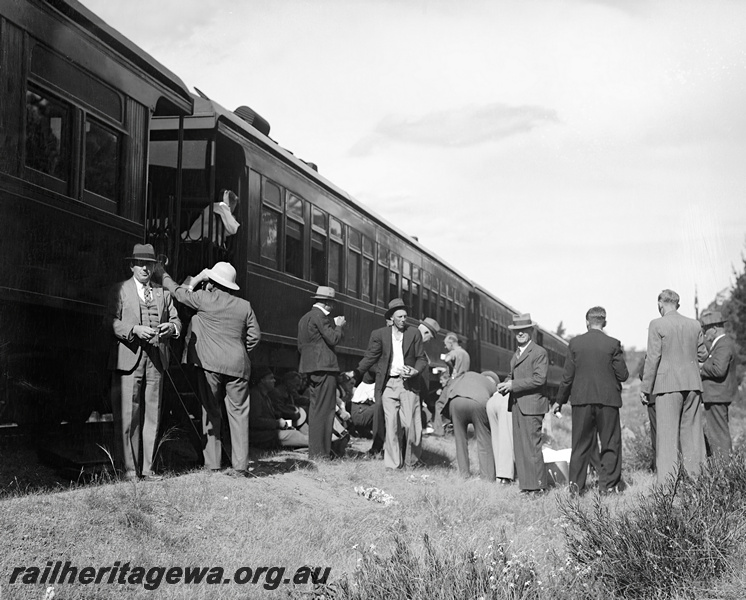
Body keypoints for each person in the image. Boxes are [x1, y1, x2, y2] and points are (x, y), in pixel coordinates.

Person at [158, 261, 260, 475]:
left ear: (212, 282)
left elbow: (178, 292)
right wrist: (239, 352)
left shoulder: (204, 299)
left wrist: (191, 278)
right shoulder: (245, 306)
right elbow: (254, 337)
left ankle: (213, 464)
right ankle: (240, 467)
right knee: (239, 414)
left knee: (211, 410)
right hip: (238, 366)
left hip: (210, 365)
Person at [107, 243, 181, 480]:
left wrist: (172, 327)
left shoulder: (163, 293)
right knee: (129, 415)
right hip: (129, 359)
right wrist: (133, 330)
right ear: (132, 266)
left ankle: (148, 469)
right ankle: (129, 471)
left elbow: (178, 323)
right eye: (140, 264)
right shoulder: (120, 290)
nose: (145, 268)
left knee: (153, 415)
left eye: (149, 264)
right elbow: (108, 321)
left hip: (156, 361)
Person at [555, 306, 629, 495]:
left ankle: (575, 488)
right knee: (610, 443)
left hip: (581, 400)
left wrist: (559, 400)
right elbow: (623, 375)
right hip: (608, 401)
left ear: (587, 321)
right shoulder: (613, 344)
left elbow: (567, 377)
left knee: (580, 445)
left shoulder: (575, 344)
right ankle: (609, 487)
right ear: (604, 322)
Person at [641, 289, 708, 485]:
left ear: (660, 304)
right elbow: (702, 355)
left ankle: (668, 486)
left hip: (667, 386)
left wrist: (646, 388)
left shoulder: (656, 324)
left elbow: (653, 358)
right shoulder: (694, 324)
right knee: (693, 436)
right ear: (677, 304)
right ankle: (697, 481)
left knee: (667, 438)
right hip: (693, 384)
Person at [355, 298, 428, 469]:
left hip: (407, 385)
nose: (404, 319)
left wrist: (415, 371)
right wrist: (356, 372)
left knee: (410, 425)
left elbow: (421, 358)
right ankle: (393, 464)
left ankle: (412, 462)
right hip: (388, 384)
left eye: (405, 316)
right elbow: (370, 357)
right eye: (400, 316)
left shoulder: (414, 333)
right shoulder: (380, 334)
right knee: (391, 425)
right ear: (392, 318)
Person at [497, 314, 549, 494]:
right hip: (518, 404)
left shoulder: (539, 352)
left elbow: (539, 379)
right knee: (520, 448)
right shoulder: (516, 354)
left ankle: (538, 486)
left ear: (531, 331)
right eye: (516, 331)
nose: (520, 334)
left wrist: (513, 384)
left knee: (532, 447)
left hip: (532, 406)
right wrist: (506, 383)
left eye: (524, 330)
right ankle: (527, 486)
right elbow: (515, 376)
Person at [297, 286, 346, 459]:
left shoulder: (304, 318)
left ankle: (315, 452)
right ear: (327, 303)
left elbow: (300, 346)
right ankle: (322, 454)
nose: (332, 307)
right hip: (326, 368)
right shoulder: (322, 317)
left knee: (316, 409)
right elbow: (333, 338)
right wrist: (338, 326)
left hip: (311, 367)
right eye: (331, 303)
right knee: (326, 411)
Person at [446, 371, 500, 480]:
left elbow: (450, 388)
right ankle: (487, 477)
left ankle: (464, 474)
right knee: (484, 440)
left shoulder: (468, 375)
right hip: (478, 403)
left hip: (456, 401)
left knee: (460, 440)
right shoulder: (493, 386)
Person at [699, 311, 737, 459]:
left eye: (705, 328)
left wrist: (701, 366)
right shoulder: (722, 344)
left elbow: (719, 370)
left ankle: (724, 468)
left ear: (714, 328)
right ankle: (724, 468)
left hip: (717, 397)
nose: (703, 332)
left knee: (719, 435)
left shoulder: (723, 344)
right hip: (716, 396)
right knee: (718, 434)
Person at [249, 368, 308, 449]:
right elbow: (255, 421)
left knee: (296, 426)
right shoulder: (255, 395)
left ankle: (315, 439)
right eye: (271, 378)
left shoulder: (265, 395)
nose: (274, 381)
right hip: (261, 435)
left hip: (269, 430)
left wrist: (286, 423)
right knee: (292, 434)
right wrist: (278, 423)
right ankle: (315, 443)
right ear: (262, 380)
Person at [433, 332, 470, 436]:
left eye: (446, 344)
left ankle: (438, 431)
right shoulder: (465, 353)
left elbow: (448, 358)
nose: (445, 346)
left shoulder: (455, 352)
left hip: (453, 383)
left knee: (440, 404)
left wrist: (448, 363)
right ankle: (455, 431)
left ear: (451, 343)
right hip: (462, 382)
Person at [485, 378, 514, 484]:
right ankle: (505, 476)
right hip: (505, 402)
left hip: (492, 401)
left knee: (496, 440)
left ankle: (499, 475)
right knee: (506, 438)